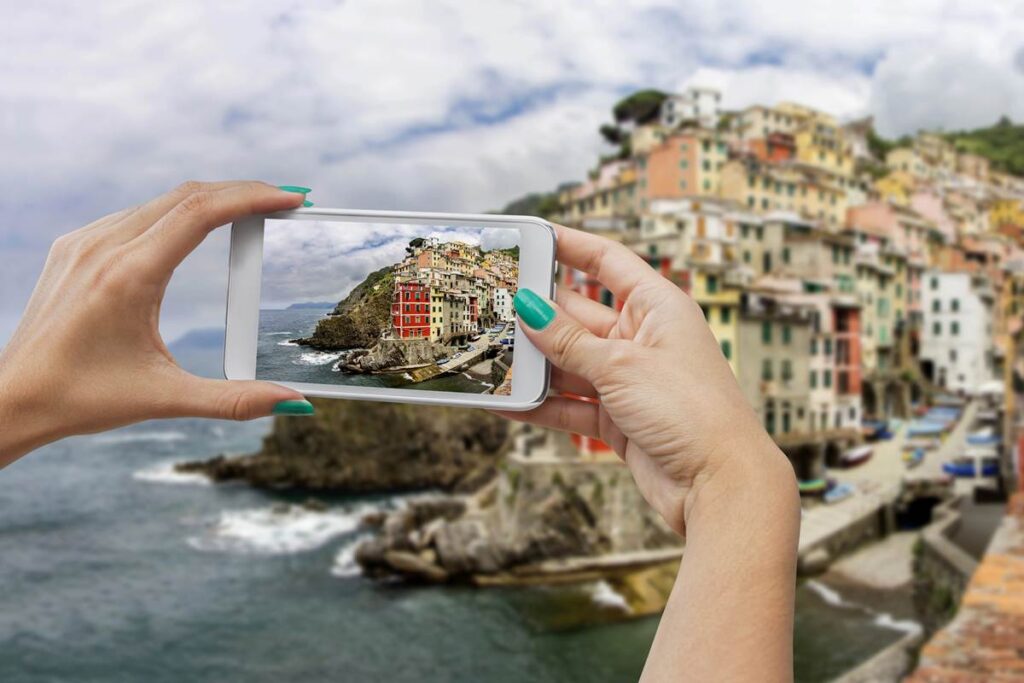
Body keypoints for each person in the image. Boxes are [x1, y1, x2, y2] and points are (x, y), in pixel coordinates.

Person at [0, 180, 800, 681]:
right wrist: (734, 481)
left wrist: (18, 399)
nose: (420, 284)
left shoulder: (430, 289)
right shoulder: (418, 291)